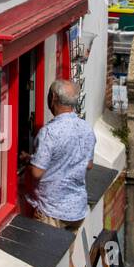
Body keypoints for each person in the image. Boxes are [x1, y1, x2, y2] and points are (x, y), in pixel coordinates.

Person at [24, 79, 95, 231]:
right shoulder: (86, 128)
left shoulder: (50, 132)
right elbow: (88, 164)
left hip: (52, 211)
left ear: (54, 97)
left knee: (46, 254)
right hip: (77, 210)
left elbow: (37, 172)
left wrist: (28, 163)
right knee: (65, 253)